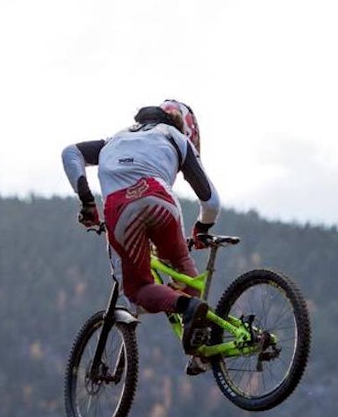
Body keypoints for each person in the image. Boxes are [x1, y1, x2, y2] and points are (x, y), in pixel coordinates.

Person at [61, 99, 221, 372]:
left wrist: (86, 200)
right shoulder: (177, 139)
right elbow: (211, 202)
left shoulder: (114, 140)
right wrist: (202, 229)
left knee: (137, 291)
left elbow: (70, 153)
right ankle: (199, 344)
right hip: (161, 203)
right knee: (184, 269)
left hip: (121, 210)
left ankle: (187, 308)